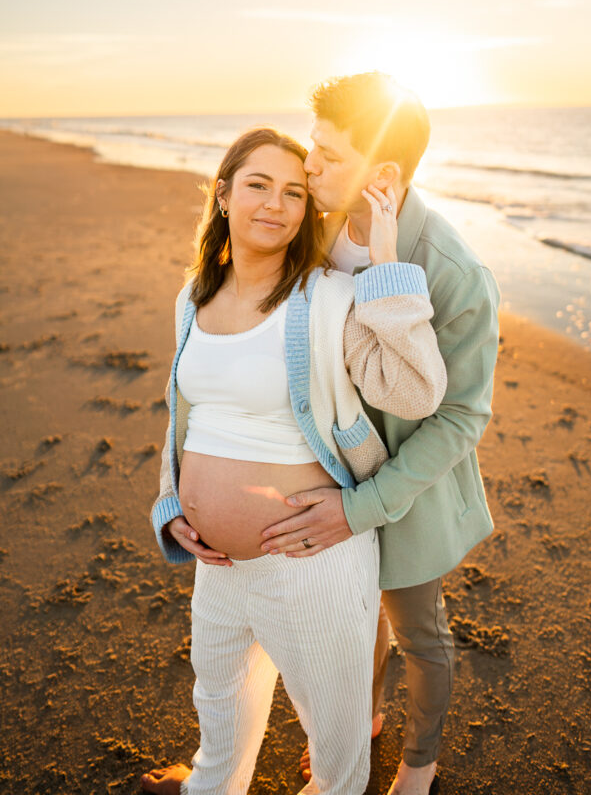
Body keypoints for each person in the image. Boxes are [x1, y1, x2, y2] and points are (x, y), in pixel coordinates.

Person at [140, 127, 447, 795]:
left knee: (334, 743)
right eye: (256, 185)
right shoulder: (191, 297)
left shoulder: (330, 297)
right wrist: (173, 506)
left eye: (293, 192)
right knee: (218, 705)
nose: (276, 204)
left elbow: (416, 392)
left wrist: (385, 262)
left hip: (310, 562)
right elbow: (187, 419)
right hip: (217, 566)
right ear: (222, 195)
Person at [258, 74, 500, 795]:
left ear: (382, 175)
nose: (308, 168)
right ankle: (361, 717)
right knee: (353, 621)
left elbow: (460, 418)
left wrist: (364, 507)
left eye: (327, 156)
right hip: (323, 467)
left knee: (417, 631)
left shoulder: (455, 274)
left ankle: (418, 760)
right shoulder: (316, 226)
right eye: (311, 148)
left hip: (408, 492)